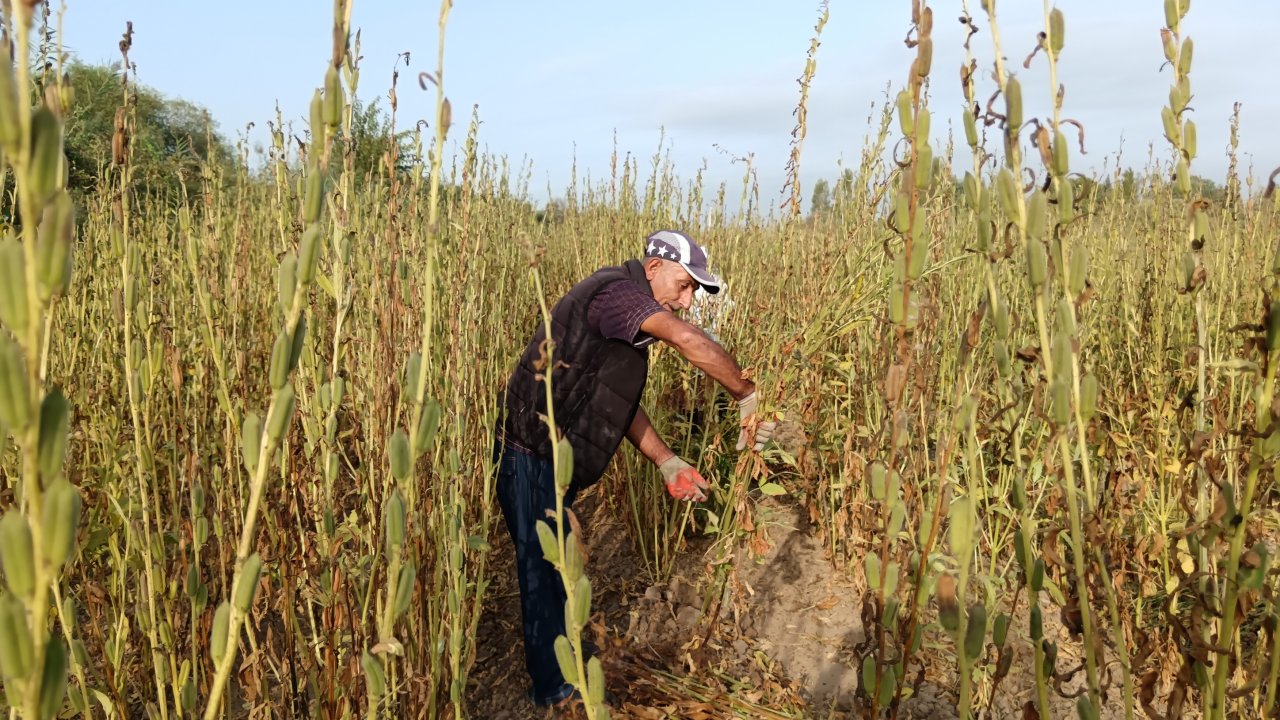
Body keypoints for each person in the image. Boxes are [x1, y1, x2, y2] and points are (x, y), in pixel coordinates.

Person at [493, 229, 776, 707]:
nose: (686, 301)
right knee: (542, 574)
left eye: (693, 292)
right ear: (653, 269)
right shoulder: (617, 296)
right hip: (528, 456)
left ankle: (571, 666)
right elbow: (687, 338)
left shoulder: (628, 319)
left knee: (561, 572)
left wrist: (668, 463)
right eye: (685, 286)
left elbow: (617, 404)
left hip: (552, 462)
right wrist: (746, 393)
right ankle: (558, 694)